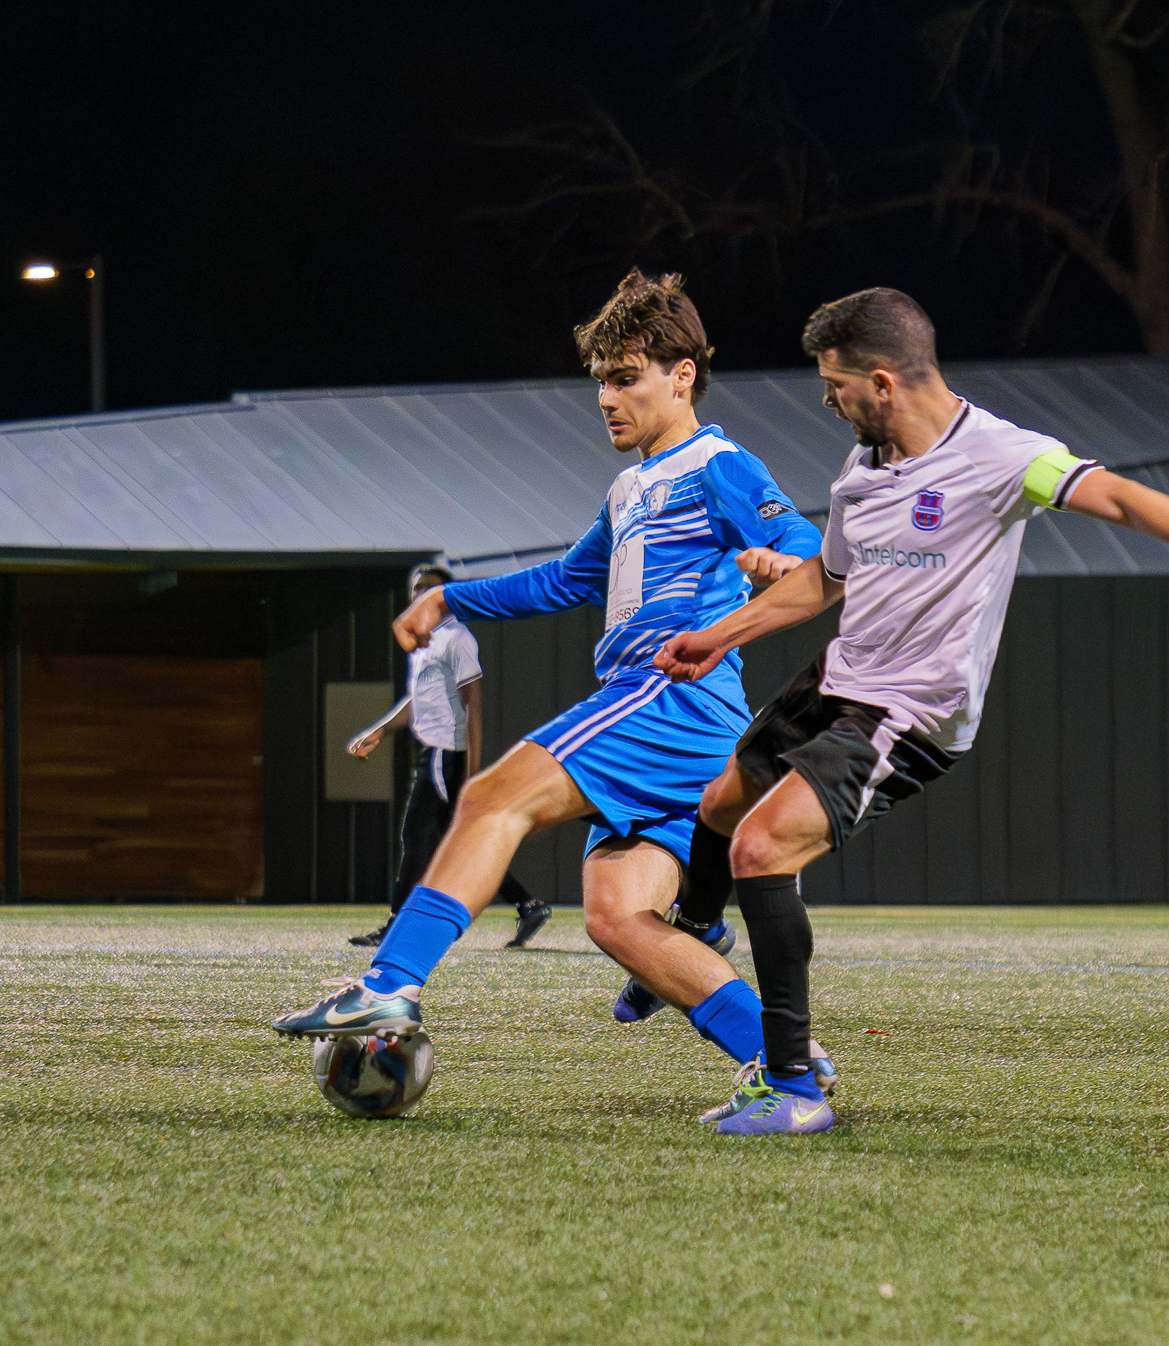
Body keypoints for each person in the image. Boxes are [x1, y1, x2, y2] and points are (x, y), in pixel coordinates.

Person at [653, 286, 1169, 1137]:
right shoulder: (863, 468)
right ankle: (697, 929)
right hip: (838, 679)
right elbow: (827, 579)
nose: (828, 401)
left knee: (761, 847)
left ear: (883, 382)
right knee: (721, 803)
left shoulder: (1004, 456)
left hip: (910, 712)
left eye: (835, 385)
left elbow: (1120, 498)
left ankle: (793, 1088)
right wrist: (718, 635)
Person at [273, 269, 827, 1109]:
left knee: (491, 798)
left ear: (683, 376)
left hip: (668, 701)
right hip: (681, 725)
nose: (606, 397)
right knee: (616, 916)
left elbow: (803, 541)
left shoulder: (717, 464)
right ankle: (786, 1062)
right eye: (600, 380)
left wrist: (782, 558)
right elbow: (566, 579)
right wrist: (450, 598)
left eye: (626, 378)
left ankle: (388, 984)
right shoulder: (631, 486)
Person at [346, 564, 550, 952]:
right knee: (458, 840)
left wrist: (472, 770)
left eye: (431, 588)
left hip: (446, 754)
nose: (421, 594)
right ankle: (527, 905)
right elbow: (418, 699)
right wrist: (380, 729)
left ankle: (396, 927)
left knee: (416, 836)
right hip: (434, 752)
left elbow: (474, 705)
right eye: (417, 588)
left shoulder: (456, 637)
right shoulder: (426, 640)